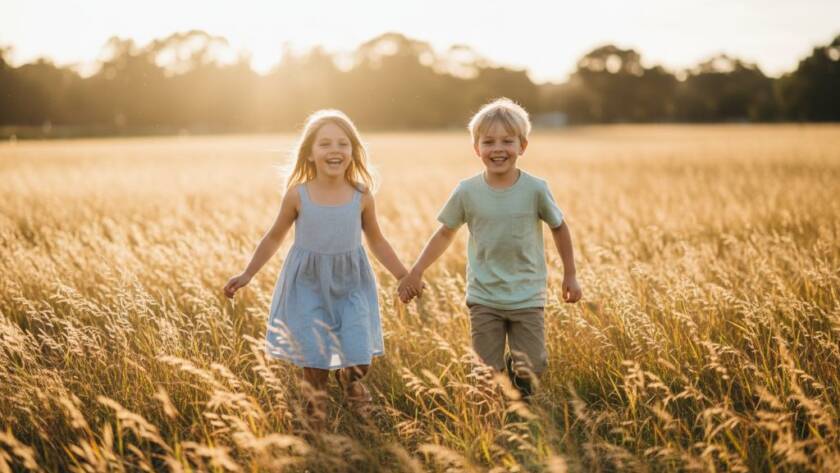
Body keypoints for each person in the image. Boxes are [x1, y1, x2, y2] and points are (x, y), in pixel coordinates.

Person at [224, 110, 416, 427]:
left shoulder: (361, 195)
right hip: (308, 284)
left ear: (353, 151)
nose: (334, 150)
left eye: (343, 143)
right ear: (310, 154)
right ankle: (317, 422)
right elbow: (273, 237)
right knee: (314, 363)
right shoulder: (298, 195)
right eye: (324, 143)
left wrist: (404, 275)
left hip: (351, 283)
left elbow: (377, 240)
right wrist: (247, 274)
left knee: (359, 357)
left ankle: (350, 379)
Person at [399, 98, 582, 399]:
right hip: (484, 296)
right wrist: (416, 271)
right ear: (476, 148)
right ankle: (492, 417)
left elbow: (559, 227)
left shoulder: (535, 189)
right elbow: (445, 233)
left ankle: (520, 390)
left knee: (532, 367)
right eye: (489, 142)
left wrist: (570, 275)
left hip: (527, 295)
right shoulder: (467, 191)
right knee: (485, 372)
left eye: (507, 141)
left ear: (523, 146)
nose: (498, 149)